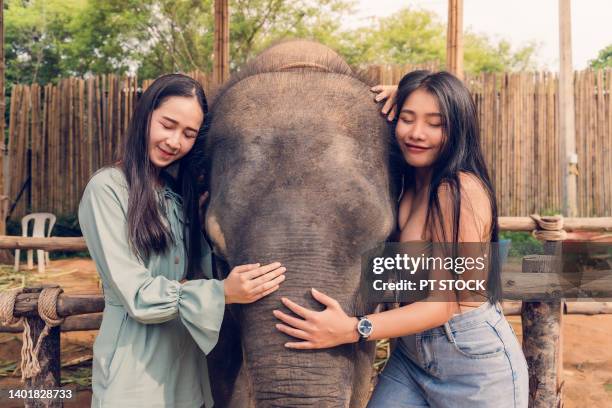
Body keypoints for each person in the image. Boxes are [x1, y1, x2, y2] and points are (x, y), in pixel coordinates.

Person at [272, 71, 529, 407]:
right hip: (411, 354)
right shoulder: (409, 179)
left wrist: (353, 329)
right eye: (407, 119)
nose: (417, 133)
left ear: (457, 128)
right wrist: (406, 92)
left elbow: (444, 303)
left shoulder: (459, 190)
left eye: (435, 124)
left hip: (471, 359)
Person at [78, 73, 286, 408]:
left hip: (188, 366)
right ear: (145, 115)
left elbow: (202, 270)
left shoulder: (178, 196)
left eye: (188, 134)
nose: (175, 141)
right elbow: (137, 295)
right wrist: (223, 292)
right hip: (134, 369)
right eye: (168, 125)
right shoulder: (108, 189)